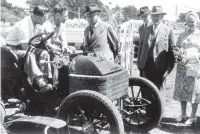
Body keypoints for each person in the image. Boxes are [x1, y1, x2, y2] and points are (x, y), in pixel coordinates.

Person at [6, 5, 53, 92]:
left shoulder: (37, 23)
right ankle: (39, 81)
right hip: (12, 51)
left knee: (44, 53)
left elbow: (38, 39)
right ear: (37, 17)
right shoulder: (23, 26)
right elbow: (25, 48)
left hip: (25, 47)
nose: (45, 21)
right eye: (44, 19)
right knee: (30, 55)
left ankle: (45, 82)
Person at [137, 6, 175, 90]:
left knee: (158, 94)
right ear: (151, 16)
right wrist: (139, 63)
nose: (155, 18)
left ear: (162, 16)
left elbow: (172, 52)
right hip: (146, 67)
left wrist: (168, 70)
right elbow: (141, 47)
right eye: (153, 16)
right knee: (146, 92)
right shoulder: (145, 29)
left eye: (157, 16)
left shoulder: (168, 30)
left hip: (160, 68)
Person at [173, 11, 200, 125]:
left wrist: (195, 56)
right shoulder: (181, 34)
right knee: (181, 91)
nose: (190, 23)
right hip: (182, 67)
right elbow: (177, 48)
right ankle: (183, 114)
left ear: (197, 22)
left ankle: (193, 116)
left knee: (193, 91)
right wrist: (178, 54)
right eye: (188, 21)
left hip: (194, 67)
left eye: (192, 21)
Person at [137, 6, 151, 76]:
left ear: (150, 15)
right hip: (142, 62)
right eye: (142, 17)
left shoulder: (154, 27)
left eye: (146, 16)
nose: (144, 18)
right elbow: (140, 46)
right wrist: (138, 60)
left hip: (151, 62)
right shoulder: (141, 28)